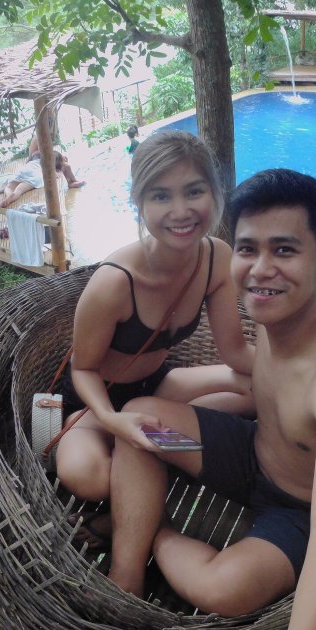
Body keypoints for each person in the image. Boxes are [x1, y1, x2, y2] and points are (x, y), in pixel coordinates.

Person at [107, 169, 316, 630]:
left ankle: (155, 534)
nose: (262, 269)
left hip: (299, 511)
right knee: (141, 424)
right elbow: (261, 394)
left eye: (284, 250)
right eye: (247, 249)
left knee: (225, 590)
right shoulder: (275, 317)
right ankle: (125, 578)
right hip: (251, 455)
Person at [55, 129, 255, 519]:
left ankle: (157, 455)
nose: (181, 211)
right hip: (96, 405)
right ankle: (158, 456)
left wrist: (296, 373)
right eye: (161, 196)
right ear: (140, 202)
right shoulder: (115, 282)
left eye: (194, 191)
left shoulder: (216, 258)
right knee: (89, 478)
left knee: (263, 390)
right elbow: (83, 369)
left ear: (215, 194)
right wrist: (113, 420)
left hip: (160, 386)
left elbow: (235, 352)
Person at [0, 147, 85, 208]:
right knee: (19, 190)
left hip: (25, 170)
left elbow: (30, 159)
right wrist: (61, 171)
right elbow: (57, 174)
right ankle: (72, 182)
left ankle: (9, 195)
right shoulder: (53, 161)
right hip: (35, 174)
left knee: (9, 187)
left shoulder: (37, 155)